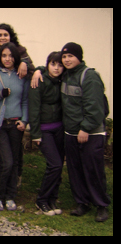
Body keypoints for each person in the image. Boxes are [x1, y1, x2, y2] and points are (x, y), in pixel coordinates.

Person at [58, 42, 110, 222]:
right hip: (71, 133)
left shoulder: (90, 76)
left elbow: (95, 108)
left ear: (79, 57)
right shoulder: (66, 75)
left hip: (90, 133)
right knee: (75, 170)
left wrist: (85, 128)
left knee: (93, 170)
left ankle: (101, 205)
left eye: (70, 56)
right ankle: (82, 202)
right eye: (64, 57)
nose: (66, 60)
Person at [0, 42, 29, 211]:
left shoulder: (21, 75)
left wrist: (24, 120)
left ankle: (10, 197)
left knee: (15, 162)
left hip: (15, 124)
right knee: (7, 162)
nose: (7, 59)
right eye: (4, 56)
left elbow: (24, 100)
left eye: (11, 55)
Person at [28, 51, 65, 216]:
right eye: (53, 64)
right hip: (44, 130)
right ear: (47, 65)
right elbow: (33, 109)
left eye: (60, 65)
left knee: (58, 166)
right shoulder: (39, 80)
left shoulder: (63, 80)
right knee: (55, 164)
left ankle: (52, 198)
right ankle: (41, 199)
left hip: (60, 129)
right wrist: (35, 134)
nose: (56, 68)